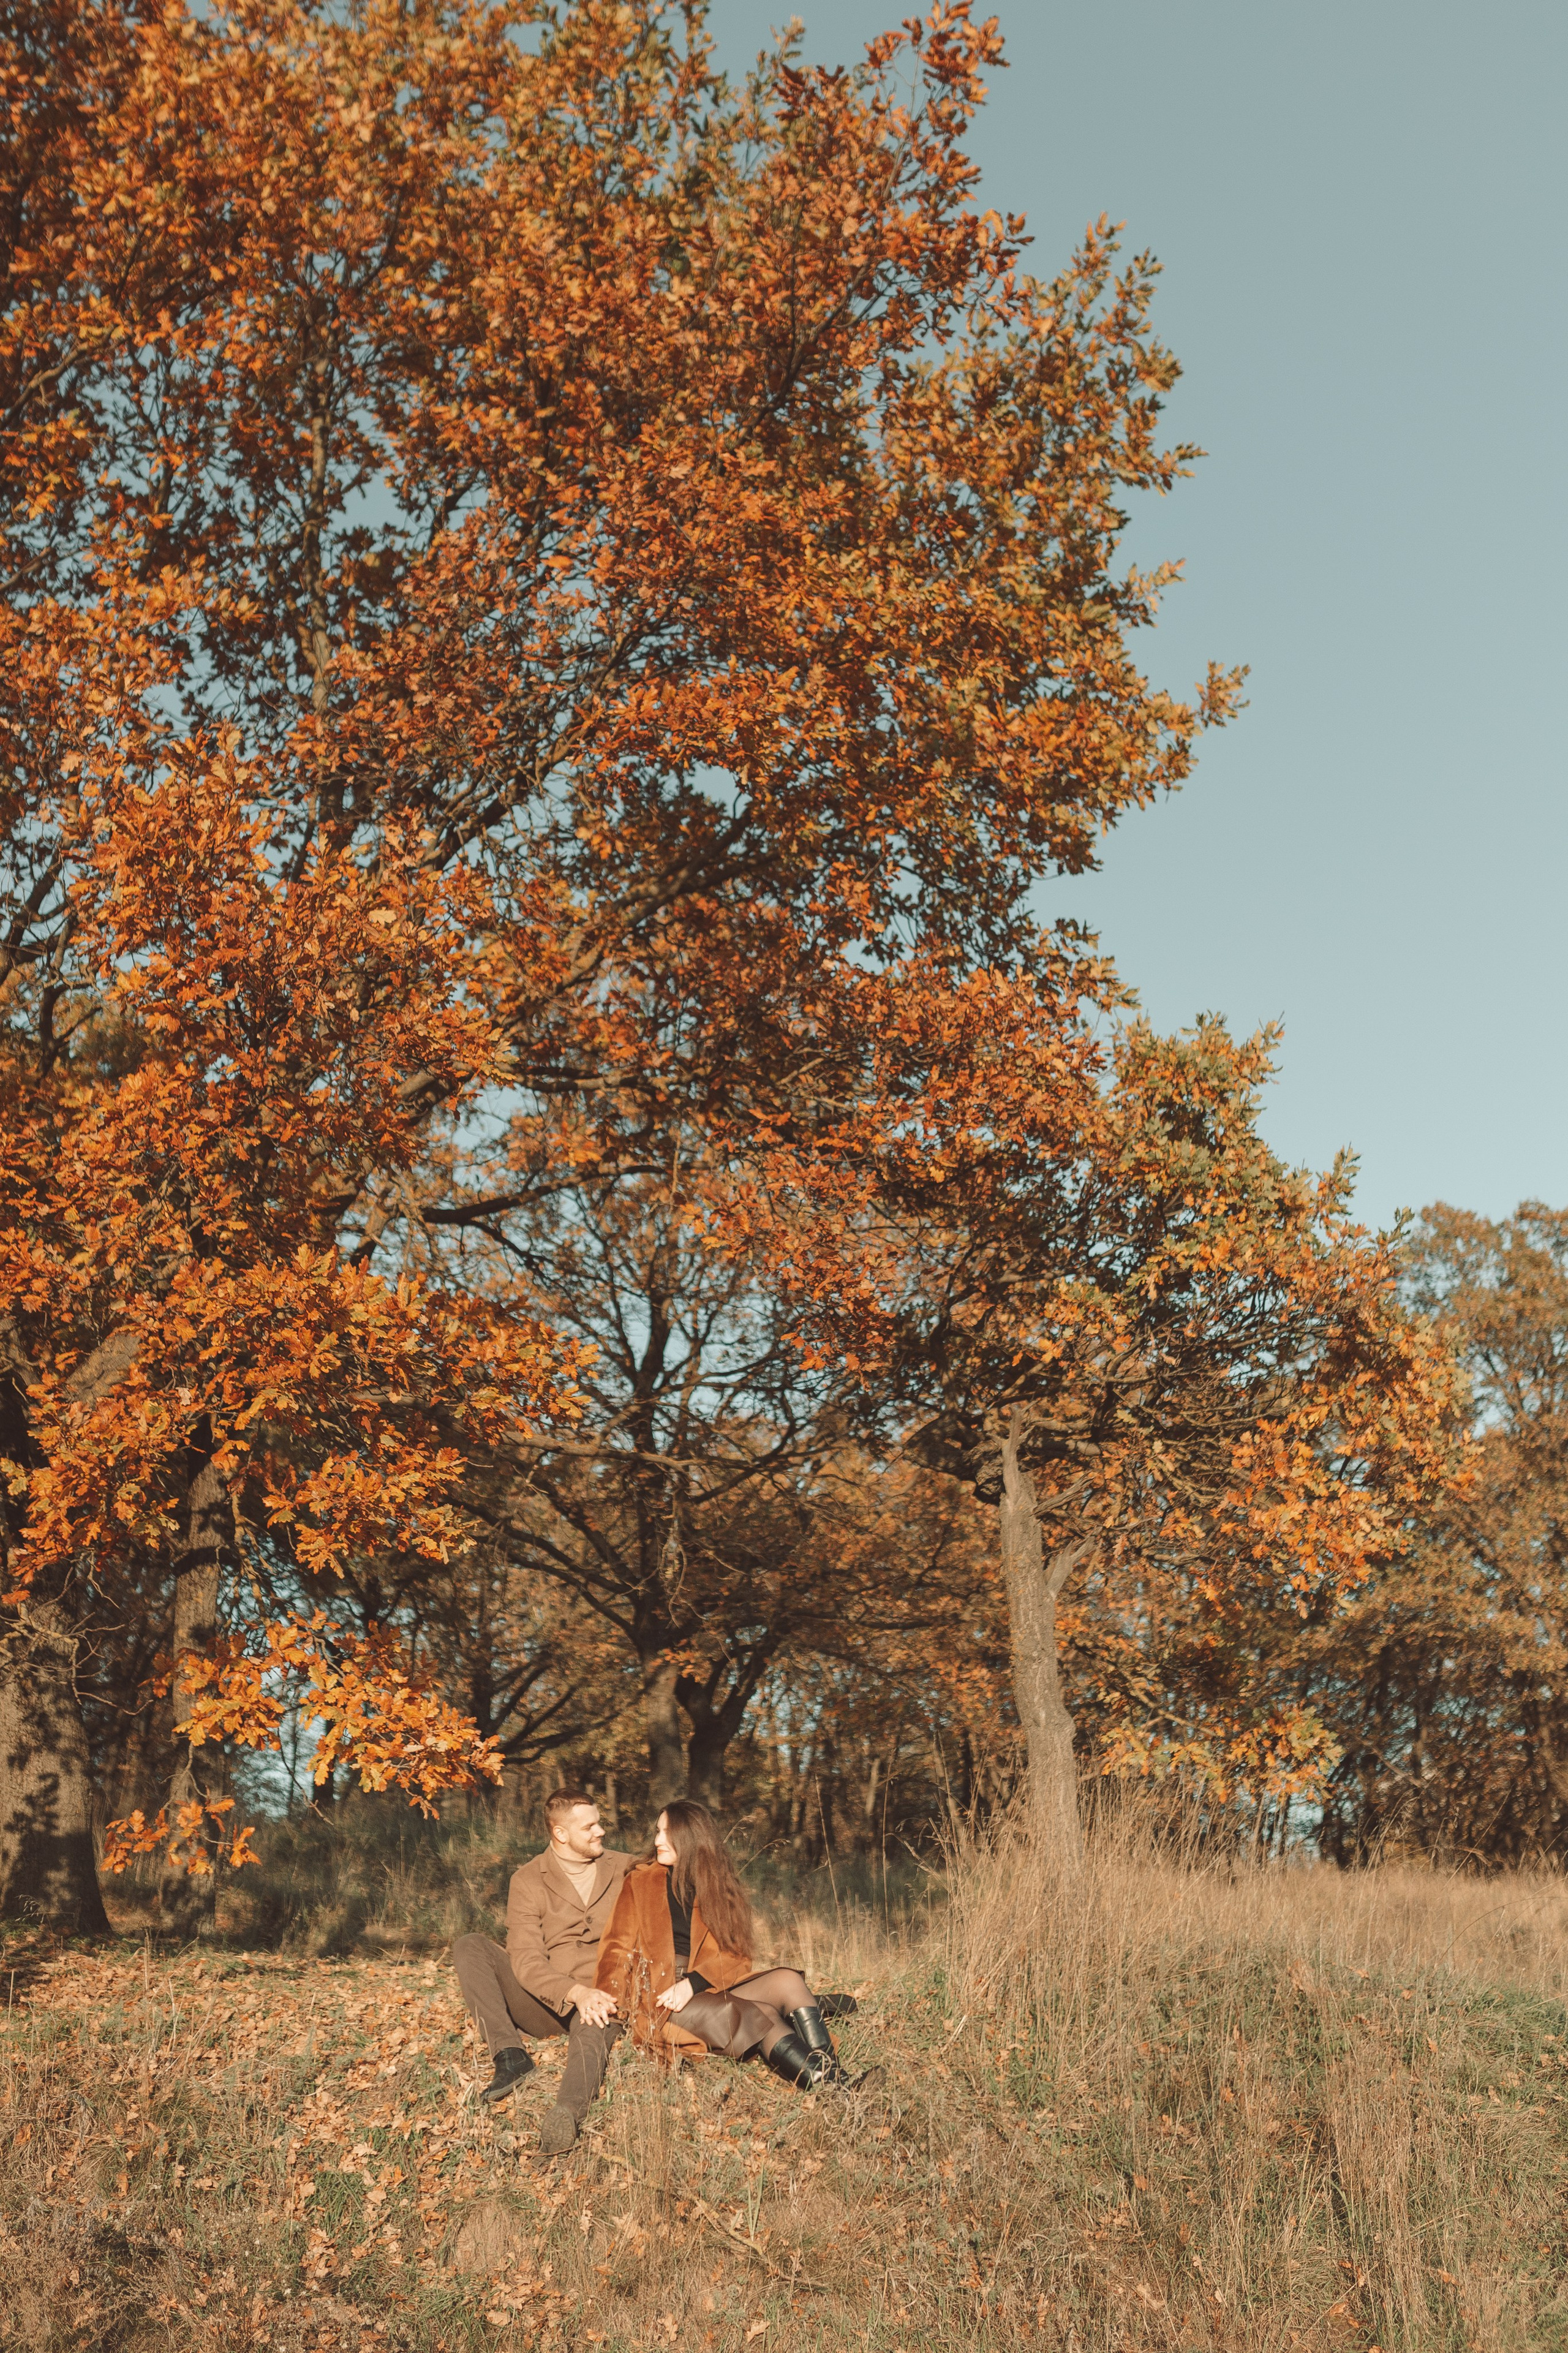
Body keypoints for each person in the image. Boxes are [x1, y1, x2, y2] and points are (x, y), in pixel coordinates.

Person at [595, 1799, 853, 2090]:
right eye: (658, 1831)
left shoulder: (717, 1884)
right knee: (763, 2013)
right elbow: (616, 1948)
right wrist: (610, 2004)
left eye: (667, 1833)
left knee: (787, 1980)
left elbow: (737, 1954)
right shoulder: (640, 1883)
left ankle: (835, 2079)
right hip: (661, 1996)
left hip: (707, 1983)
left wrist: (692, 1983)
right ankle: (838, 2088)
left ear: (691, 1838)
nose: (657, 1841)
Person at [452, 1788, 635, 2155]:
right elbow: (525, 1959)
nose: (601, 1831)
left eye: (599, 1823)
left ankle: (567, 2113)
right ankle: (510, 2057)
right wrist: (573, 1992)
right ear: (561, 1834)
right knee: (471, 1945)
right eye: (590, 1827)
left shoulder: (627, 1867)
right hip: (548, 2000)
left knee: (591, 2031)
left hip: (605, 1994)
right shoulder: (528, 1879)